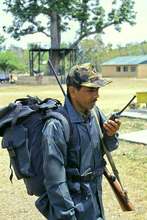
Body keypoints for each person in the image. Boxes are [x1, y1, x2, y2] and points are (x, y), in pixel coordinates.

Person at [38, 63, 121, 220]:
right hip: (74, 207)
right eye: (90, 90)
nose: (97, 95)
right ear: (72, 91)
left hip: (95, 199)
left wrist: (111, 134)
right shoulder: (56, 126)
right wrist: (67, 216)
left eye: (97, 89)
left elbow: (108, 147)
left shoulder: (94, 113)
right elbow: (55, 181)